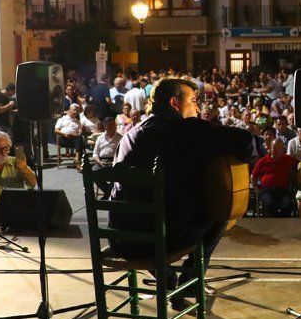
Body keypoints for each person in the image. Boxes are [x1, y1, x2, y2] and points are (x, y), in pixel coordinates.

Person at [110, 77, 257, 306]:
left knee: (160, 212)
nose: (197, 107)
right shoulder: (187, 129)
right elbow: (247, 143)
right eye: (193, 100)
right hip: (163, 240)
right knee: (219, 213)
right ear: (174, 103)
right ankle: (190, 281)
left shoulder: (130, 134)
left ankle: (167, 278)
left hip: (122, 238)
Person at [251, 139, 298, 217]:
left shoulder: (287, 159)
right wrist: (256, 188)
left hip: (283, 190)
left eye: (280, 149)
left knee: (288, 205)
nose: (277, 151)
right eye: (275, 148)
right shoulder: (263, 161)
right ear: (270, 149)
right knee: (270, 205)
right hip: (266, 190)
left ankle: (282, 225)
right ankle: (271, 225)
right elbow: (253, 175)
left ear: (283, 149)